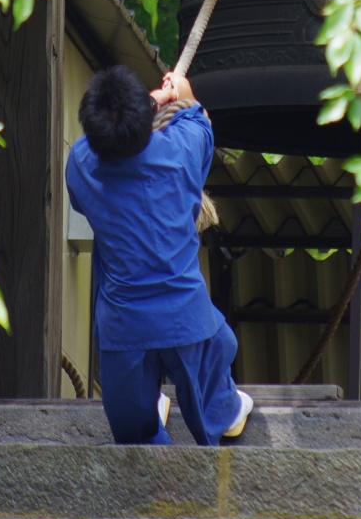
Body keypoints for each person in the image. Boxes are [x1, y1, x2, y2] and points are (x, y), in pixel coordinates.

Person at [66, 63, 254, 446]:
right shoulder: (182, 152)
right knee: (214, 387)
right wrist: (180, 93)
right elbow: (198, 117)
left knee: (134, 434)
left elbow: (96, 146)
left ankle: (149, 411)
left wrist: (150, 103)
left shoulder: (82, 165)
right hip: (187, 319)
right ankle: (227, 413)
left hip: (123, 328)